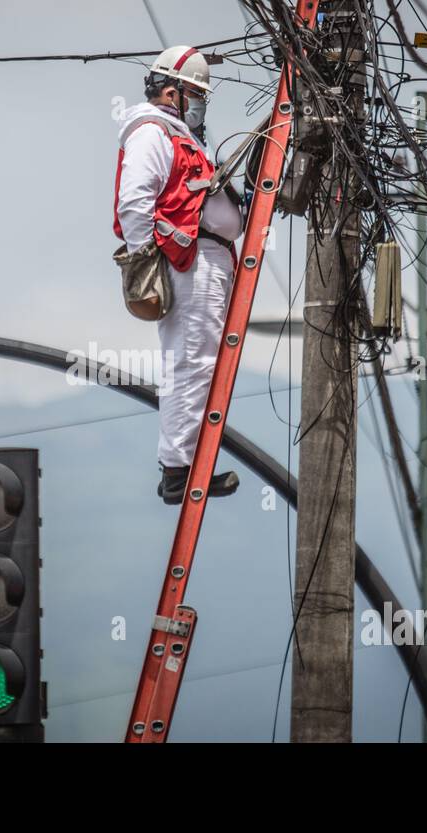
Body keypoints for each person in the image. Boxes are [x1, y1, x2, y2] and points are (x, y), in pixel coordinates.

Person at [112, 46, 243, 505]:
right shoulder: (152, 132)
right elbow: (134, 202)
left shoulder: (178, 135)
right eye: (197, 95)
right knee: (191, 362)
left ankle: (184, 462)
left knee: (200, 363)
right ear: (172, 91)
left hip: (205, 259)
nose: (201, 104)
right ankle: (178, 469)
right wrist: (147, 263)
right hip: (189, 261)